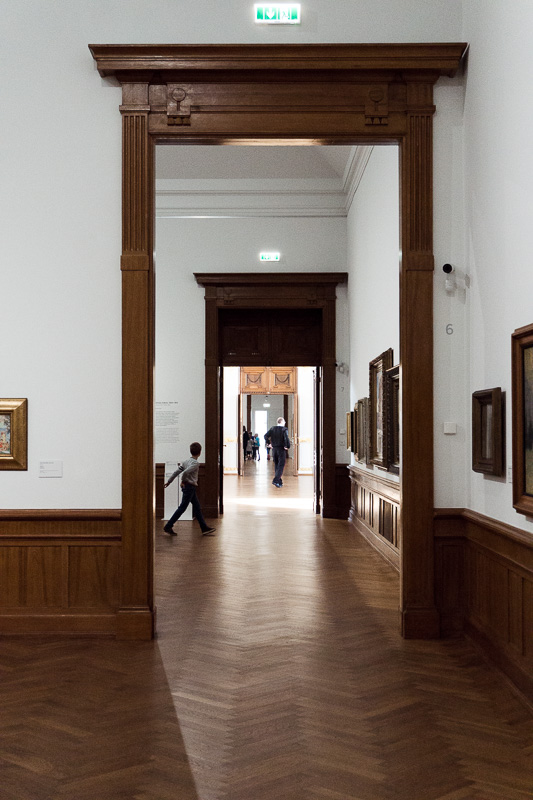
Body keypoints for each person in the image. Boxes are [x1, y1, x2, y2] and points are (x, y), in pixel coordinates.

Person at [163, 442, 215, 536]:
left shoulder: (186, 461)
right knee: (182, 508)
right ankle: (168, 526)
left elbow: (176, 472)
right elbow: (185, 473)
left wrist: (169, 481)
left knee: (197, 507)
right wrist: (183, 481)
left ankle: (204, 528)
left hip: (190, 488)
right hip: (189, 487)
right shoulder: (195, 464)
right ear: (200, 452)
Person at [264, 417, 290, 488]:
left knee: (276, 465)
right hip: (281, 449)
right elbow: (286, 438)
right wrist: (287, 446)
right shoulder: (284, 429)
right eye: (284, 421)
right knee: (281, 465)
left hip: (274, 449)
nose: (285, 422)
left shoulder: (272, 428)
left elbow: (265, 436)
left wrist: (268, 443)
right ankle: (276, 480)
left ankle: (279, 482)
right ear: (281, 422)